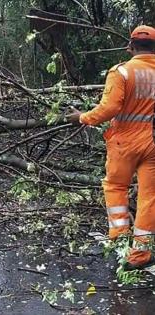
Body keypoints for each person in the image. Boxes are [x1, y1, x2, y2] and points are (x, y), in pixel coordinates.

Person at [68, 25, 155, 271]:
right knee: (150, 197)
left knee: (116, 186)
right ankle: (140, 255)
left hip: (124, 142)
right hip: (151, 142)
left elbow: (109, 109)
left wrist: (82, 117)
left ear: (131, 46)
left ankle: (120, 239)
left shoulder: (122, 72)